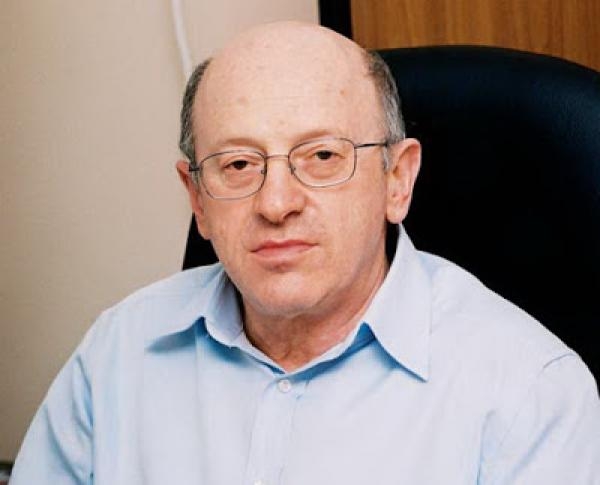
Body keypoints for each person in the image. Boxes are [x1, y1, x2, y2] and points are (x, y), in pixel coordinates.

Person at [10, 21, 600, 484]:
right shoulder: (117, 354)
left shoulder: (530, 396)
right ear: (197, 199)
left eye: (322, 157)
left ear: (397, 180)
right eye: (238, 164)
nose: (276, 203)